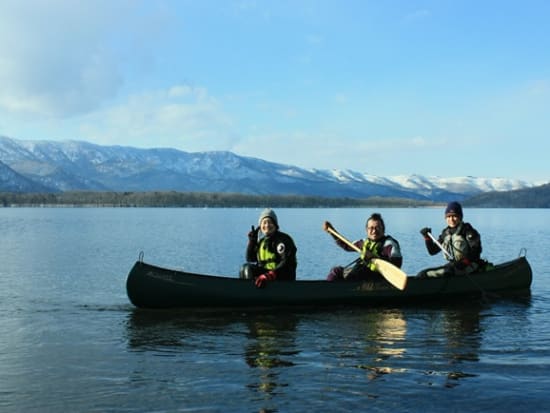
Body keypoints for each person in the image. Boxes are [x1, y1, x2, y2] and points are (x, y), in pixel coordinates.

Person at [324, 213, 403, 281]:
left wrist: (375, 257)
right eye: (371, 228)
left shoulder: (389, 244)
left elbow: (397, 263)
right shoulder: (364, 242)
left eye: (377, 227)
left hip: (377, 278)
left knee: (359, 272)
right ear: (366, 230)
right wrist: (332, 232)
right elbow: (346, 245)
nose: (374, 231)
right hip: (361, 274)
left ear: (383, 229)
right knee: (336, 271)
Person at [418, 201, 483, 277]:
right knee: (423, 273)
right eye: (448, 216)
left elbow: (476, 251)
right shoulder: (446, 233)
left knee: (441, 273)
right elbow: (432, 251)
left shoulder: (468, 231)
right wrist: (427, 238)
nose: (451, 219)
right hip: (454, 265)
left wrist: (464, 262)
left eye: (454, 216)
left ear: (460, 217)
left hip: (470, 265)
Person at [240, 208, 297, 288]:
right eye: (264, 223)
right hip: (267, 276)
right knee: (244, 268)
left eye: (270, 222)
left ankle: (253, 293)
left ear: (275, 224)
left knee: (248, 269)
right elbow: (250, 259)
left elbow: (287, 262)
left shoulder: (283, 240)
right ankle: (247, 291)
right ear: (260, 226)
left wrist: (271, 274)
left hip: (282, 276)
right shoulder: (262, 241)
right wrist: (252, 242)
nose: (267, 225)